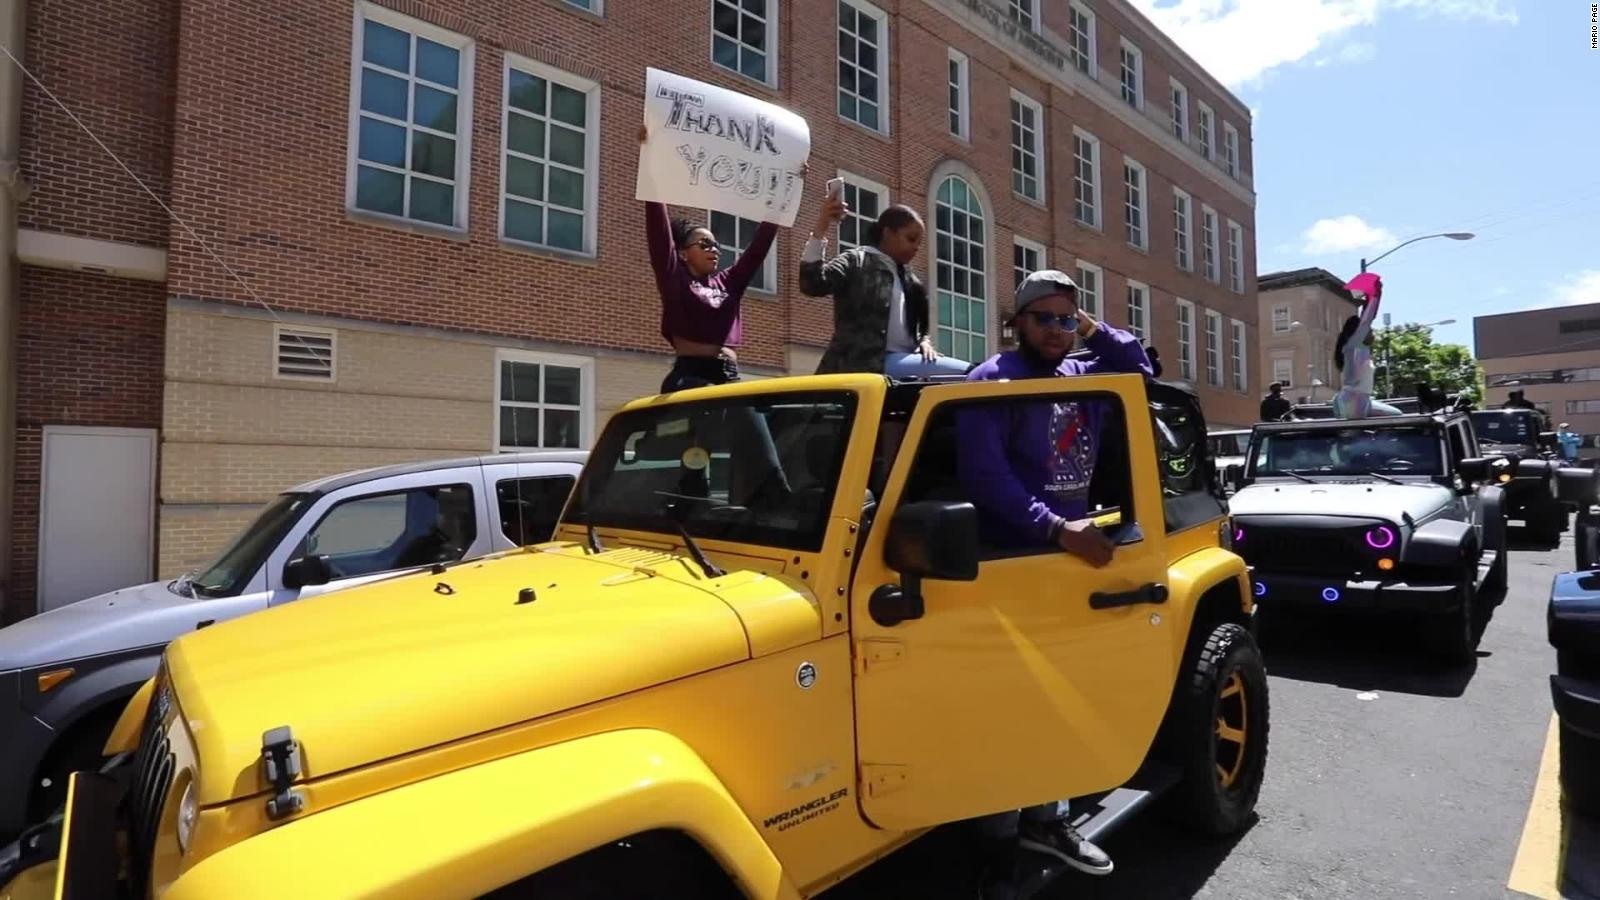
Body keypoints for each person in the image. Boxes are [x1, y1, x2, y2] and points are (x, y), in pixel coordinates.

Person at [957, 270, 1153, 880]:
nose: (1056, 330)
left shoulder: (1083, 374)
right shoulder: (990, 380)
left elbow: (1142, 375)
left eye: (1067, 320)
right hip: (1013, 565)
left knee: (1065, 699)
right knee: (1009, 707)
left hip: (1077, 564)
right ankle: (994, 849)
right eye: (1043, 317)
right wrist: (1054, 528)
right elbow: (984, 476)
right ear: (1017, 320)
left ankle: (1048, 823)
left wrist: (1090, 324)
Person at [640, 125, 789, 503]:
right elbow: (657, 226)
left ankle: (766, 497)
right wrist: (650, 159)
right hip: (690, 377)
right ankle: (695, 495)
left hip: (728, 377)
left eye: (717, 245)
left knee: (757, 413)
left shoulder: (728, 284)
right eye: (704, 244)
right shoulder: (674, 278)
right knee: (702, 445)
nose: (714, 249)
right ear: (683, 252)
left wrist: (783, 194)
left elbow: (758, 247)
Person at [800, 195, 969, 378]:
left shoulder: (910, 280)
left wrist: (924, 341)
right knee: (973, 373)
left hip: (905, 362)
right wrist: (821, 227)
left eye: (919, 243)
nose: (915, 248)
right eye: (911, 239)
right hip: (867, 365)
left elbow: (920, 326)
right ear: (887, 233)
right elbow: (812, 283)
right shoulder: (857, 261)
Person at [1332, 272, 1402, 419]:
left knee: (1396, 415)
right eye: (1370, 331)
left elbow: (1366, 317)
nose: (1372, 334)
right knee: (1394, 418)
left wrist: (1371, 296)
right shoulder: (1355, 345)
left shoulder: (1352, 347)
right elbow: (1367, 319)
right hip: (1354, 399)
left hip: (1351, 398)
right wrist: (1376, 295)